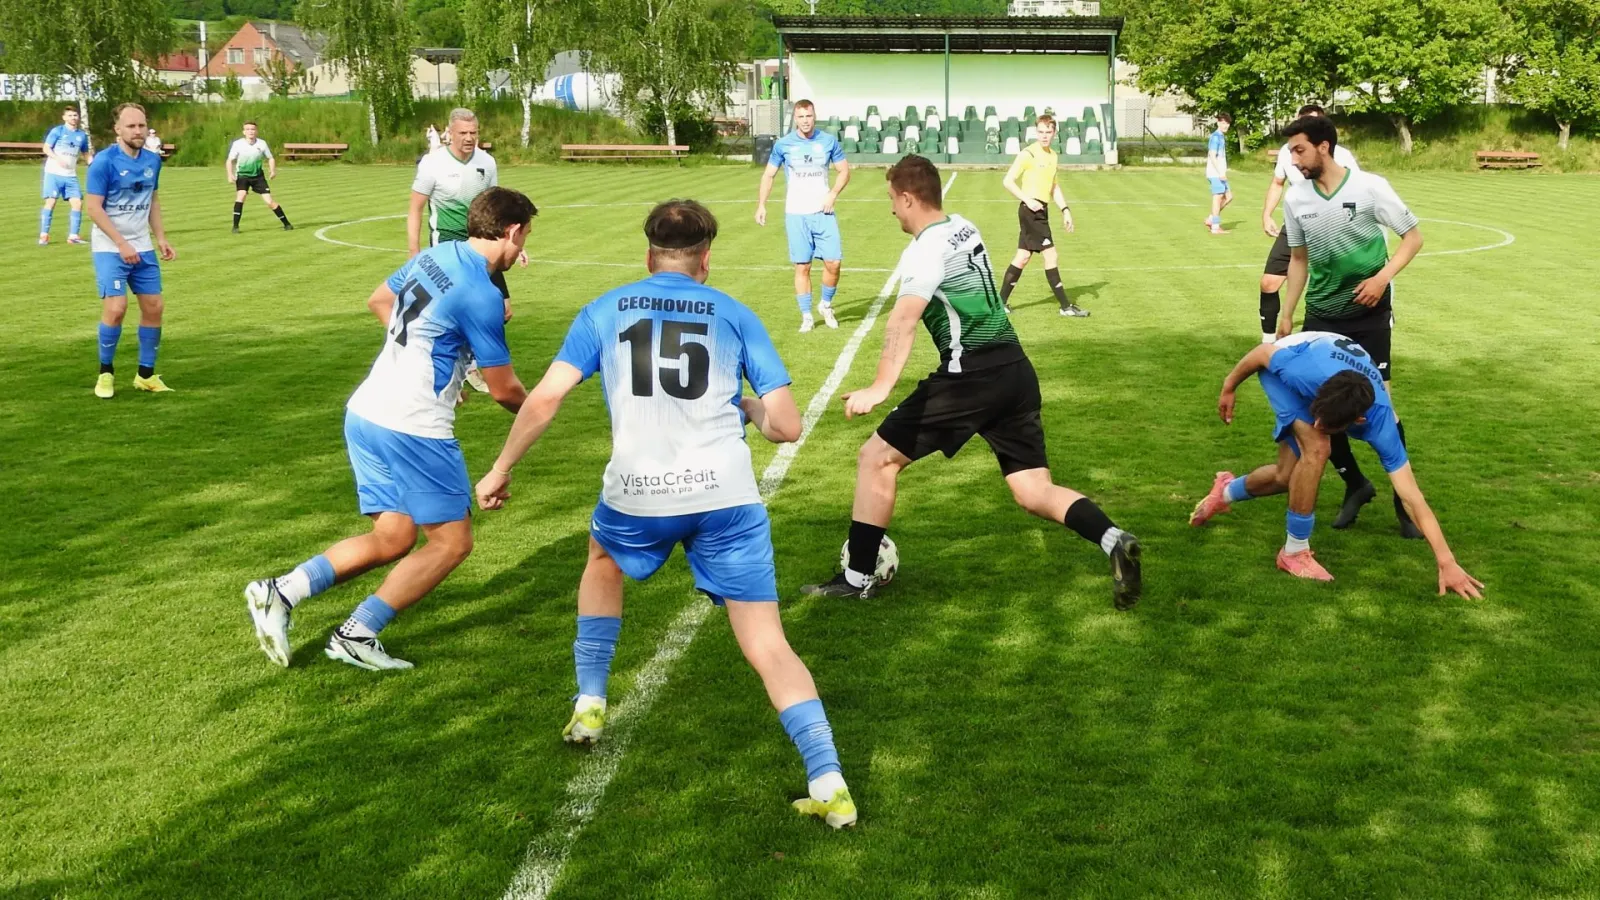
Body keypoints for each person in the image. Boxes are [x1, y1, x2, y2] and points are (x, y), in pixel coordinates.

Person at [473, 199, 858, 829]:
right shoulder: (734, 313)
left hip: (638, 493)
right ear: (706, 257)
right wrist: (751, 410)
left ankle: (590, 701)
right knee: (768, 642)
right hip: (725, 498)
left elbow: (543, 399)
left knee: (602, 559)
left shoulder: (604, 309)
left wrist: (499, 468)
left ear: (649, 255)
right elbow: (786, 426)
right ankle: (829, 780)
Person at [800, 156, 1143, 610]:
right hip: (1015, 371)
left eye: (893, 200)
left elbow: (902, 320)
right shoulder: (963, 226)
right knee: (1033, 490)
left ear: (908, 198)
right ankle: (1113, 539)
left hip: (972, 376)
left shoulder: (925, 250)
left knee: (875, 459)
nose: (892, 210)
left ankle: (856, 576)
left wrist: (880, 387)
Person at [244, 188, 537, 671]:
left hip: (367, 411)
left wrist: (431, 359)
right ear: (512, 231)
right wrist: (540, 410)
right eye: (525, 235)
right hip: (413, 428)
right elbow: (505, 390)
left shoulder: (437, 255)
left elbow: (380, 300)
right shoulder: (481, 293)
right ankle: (357, 633)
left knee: (394, 537)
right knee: (452, 543)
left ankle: (281, 591)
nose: (523, 245)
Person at [1189, 332, 1483, 598]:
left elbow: (1412, 497)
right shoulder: (1302, 374)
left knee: (1285, 477)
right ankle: (1294, 552)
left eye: (1328, 423)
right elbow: (1262, 353)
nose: (1317, 424)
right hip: (1293, 362)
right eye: (1317, 416)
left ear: (1358, 421)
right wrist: (1229, 386)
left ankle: (1225, 491)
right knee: (1318, 447)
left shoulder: (1382, 426)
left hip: (1328, 368)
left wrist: (1447, 562)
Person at [1274, 114, 1425, 537]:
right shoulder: (1296, 199)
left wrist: (1381, 279)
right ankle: (1355, 484)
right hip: (1322, 315)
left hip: (1369, 315)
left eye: (1299, 150)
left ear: (1324, 146)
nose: (1294, 160)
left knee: (1382, 406)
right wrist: (1287, 312)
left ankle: (1403, 506)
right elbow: (1298, 259)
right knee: (1323, 409)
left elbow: (1413, 237)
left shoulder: (1369, 187)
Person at [410, 107, 519, 393]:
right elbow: (415, 209)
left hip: (483, 244)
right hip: (447, 244)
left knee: (503, 309)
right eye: (463, 133)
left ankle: (472, 361)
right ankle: (461, 367)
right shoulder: (432, 164)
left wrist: (513, 245)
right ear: (450, 133)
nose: (469, 138)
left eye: (474, 132)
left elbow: (496, 208)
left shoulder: (487, 162)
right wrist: (414, 253)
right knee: (454, 307)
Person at [85, 103, 176, 399]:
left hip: (142, 246)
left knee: (154, 307)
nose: (138, 131)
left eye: (141, 125)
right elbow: (93, 208)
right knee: (116, 309)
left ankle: (145, 376)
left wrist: (160, 238)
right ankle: (105, 373)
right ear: (118, 129)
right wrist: (121, 244)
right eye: (131, 126)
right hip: (109, 247)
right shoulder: (104, 162)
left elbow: (153, 200)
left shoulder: (152, 160)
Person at [1258, 104, 1358, 343]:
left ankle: (1368, 325)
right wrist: (1267, 214)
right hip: (1298, 223)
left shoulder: (1341, 155)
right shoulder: (1287, 152)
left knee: (1341, 286)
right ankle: (1269, 341)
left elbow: (1355, 190)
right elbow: (1278, 183)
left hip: (1332, 227)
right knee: (1269, 282)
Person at [755, 99, 850, 333]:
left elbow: (844, 171)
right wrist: (761, 205)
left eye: (809, 116)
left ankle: (825, 305)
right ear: (795, 119)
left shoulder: (828, 141)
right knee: (802, 266)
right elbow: (768, 175)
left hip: (824, 212)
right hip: (796, 214)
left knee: (834, 263)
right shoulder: (783, 145)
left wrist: (833, 194)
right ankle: (806, 316)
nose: (805, 121)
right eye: (801, 117)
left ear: (814, 116)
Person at [997, 113, 1086, 317]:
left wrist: (1065, 210)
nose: (1044, 136)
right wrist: (1028, 200)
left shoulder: (1053, 156)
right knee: (1051, 255)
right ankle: (1065, 307)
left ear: (1054, 133)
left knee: (1022, 257)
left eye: (1048, 132)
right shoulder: (1028, 154)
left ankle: (999, 304)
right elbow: (1008, 181)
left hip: (1041, 211)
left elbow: (1054, 187)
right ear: (1036, 132)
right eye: (1040, 132)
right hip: (1030, 211)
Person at [40, 105, 93, 246]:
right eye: (70, 115)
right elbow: (46, 148)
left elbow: (85, 153)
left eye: (75, 115)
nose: (73, 118)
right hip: (53, 173)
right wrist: (57, 158)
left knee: (77, 203)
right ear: (64, 117)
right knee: (51, 202)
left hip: (70, 175)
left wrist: (92, 164)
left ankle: (73, 236)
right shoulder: (57, 131)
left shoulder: (81, 135)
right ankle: (44, 235)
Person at [226, 122, 293, 232]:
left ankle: (287, 224)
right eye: (248, 129)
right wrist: (230, 174)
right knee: (241, 196)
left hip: (258, 177)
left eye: (253, 129)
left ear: (256, 131)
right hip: (243, 175)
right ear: (244, 132)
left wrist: (272, 171)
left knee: (269, 201)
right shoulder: (238, 144)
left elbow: (270, 158)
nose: (250, 131)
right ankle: (235, 226)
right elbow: (230, 160)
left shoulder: (262, 144)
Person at [1205, 114, 1233, 235]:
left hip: (1220, 173)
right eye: (1223, 123)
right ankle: (1215, 227)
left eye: (1227, 123)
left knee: (1229, 196)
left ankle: (1211, 219)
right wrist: (1220, 172)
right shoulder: (1216, 137)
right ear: (1218, 123)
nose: (1225, 126)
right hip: (1215, 173)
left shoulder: (1221, 136)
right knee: (1218, 198)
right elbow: (1212, 155)